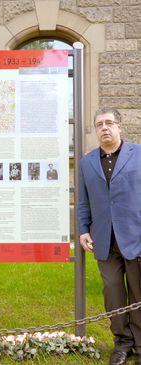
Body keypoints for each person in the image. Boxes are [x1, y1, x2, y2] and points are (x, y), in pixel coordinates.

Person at [77, 107, 141, 365]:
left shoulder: (138, 155)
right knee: (113, 294)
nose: (104, 128)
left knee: (138, 295)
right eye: (99, 124)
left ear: (119, 126)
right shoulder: (86, 162)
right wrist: (82, 230)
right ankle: (122, 344)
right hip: (104, 241)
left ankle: (140, 346)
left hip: (135, 238)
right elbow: (83, 202)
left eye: (109, 123)